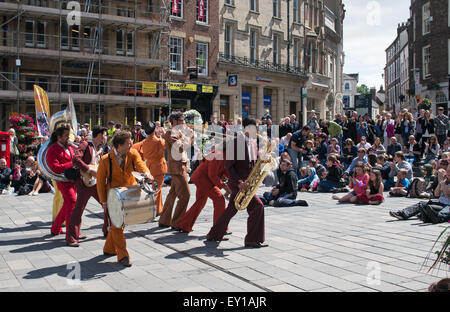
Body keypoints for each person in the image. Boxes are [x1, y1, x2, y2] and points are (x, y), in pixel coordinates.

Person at [206, 117, 268, 248]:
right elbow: (230, 166)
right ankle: (251, 240)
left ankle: (214, 234)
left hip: (248, 183)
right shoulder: (236, 143)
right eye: (255, 127)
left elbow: (252, 163)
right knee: (258, 207)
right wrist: (239, 182)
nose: (257, 130)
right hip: (239, 184)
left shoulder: (252, 143)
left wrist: (263, 161)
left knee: (231, 210)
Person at [97, 130, 153, 267]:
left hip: (129, 193)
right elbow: (99, 182)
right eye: (128, 143)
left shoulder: (133, 153)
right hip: (113, 197)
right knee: (117, 224)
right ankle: (123, 256)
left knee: (119, 224)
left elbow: (141, 164)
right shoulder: (105, 160)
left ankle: (109, 248)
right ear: (118, 145)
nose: (131, 145)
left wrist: (147, 173)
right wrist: (103, 202)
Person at [66, 126, 108, 247]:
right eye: (104, 135)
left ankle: (108, 230)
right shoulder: (85, 144)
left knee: (107, 205)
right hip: (84, 182)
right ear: (99, 135)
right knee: (79, 209)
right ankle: (72, 237)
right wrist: (89, 169)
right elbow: (76, 160)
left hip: (96, 182)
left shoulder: (100, 148)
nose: (106, 137)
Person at [176, 146, 231, 233]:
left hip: (202, 178)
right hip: (204, 180)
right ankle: (219, 229)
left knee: (200, 202)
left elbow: (224, 170)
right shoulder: (219, 154)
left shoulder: (222, 154)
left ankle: (184, 224)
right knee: (219, 199)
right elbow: (212, 175)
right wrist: (224, 186)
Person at [159, 112, 193, 229]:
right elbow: (180, 148)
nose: (183, 123)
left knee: (172, 194)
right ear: (174, 122)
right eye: (181, 121)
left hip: (180, 165)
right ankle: (178, 222)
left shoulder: (177, 132)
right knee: (185, 195)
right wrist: (188, 137)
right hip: (177, 167)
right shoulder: (170, 132)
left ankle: (164, 220)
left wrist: (188, 137)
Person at [47, 125, 77, 237]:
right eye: (66, 136)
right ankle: (71, 233)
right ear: (59, 137)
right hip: (63, 180)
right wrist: (72, 164)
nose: (68, 138)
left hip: (72, 179)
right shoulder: (52, 149)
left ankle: (55, 228)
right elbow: (55, 167)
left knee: (67, 204)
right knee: (72, 202)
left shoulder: (70, 147)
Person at [142, 121, 167, 216]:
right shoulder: (158, 141)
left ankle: (159, 209)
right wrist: (162, 134)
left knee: (156, 188)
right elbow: (166, 144)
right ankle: (153, 209)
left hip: (150, 166)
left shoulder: (144, 142)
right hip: (159, 167)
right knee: (157, 189)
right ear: (154, 130)